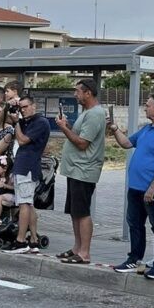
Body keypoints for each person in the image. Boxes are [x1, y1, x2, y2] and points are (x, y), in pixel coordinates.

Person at [109, 94, 154, 276]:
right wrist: (115, 129)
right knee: (135, 223)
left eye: (148, 105)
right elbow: (126, 143)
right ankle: (134, 258)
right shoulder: (147, 129)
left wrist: (153, 187)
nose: (145, 108)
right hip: (136, 188)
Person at [55, 78, 107, 264]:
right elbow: (78, 135)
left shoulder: (95, 114)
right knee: (75, 211)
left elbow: (82, 143)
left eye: (78, 91)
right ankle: (77, 248)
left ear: (88, 93)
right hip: (75, 169)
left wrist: (63, 129)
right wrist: (68, 126)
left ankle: (84, 252)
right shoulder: (87, 113)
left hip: (84, 169)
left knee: (82, 211)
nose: (75, 95)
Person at [7, 95, 50, 253]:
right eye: (21, 108)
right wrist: (11, 108)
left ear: (34, 106)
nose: (22, 110)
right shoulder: (27, 122)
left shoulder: (40, 122)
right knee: (29, 204)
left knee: (24, 203)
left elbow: (23, 140)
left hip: (28, 167)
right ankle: (33, 240)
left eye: (25, 107)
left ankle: (20, 241)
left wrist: (17, 122)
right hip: (22, 166)